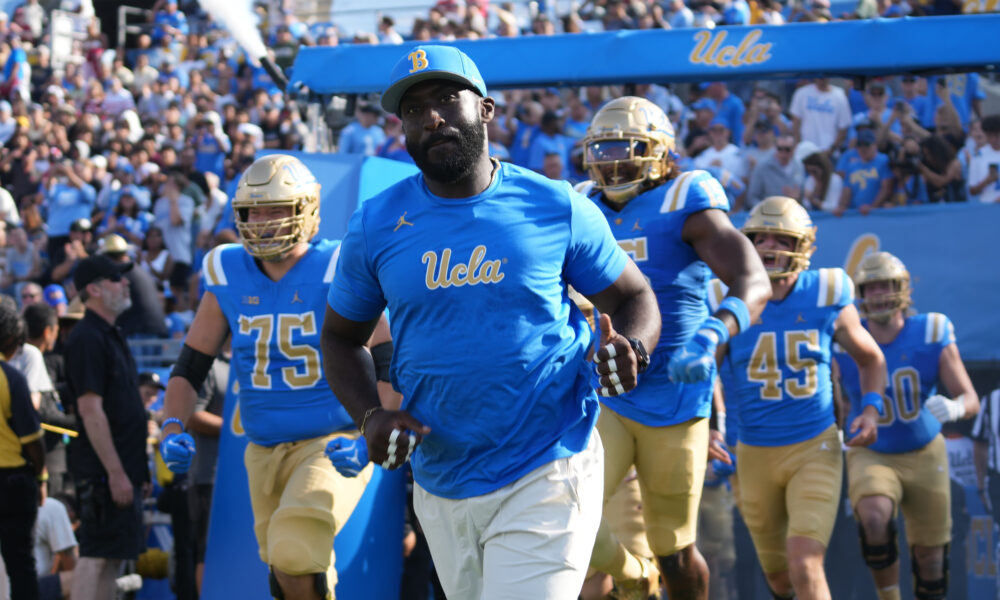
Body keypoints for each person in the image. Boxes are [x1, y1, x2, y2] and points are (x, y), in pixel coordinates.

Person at [321, 45, 661, 599]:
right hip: (441, 476)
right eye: (412, 109)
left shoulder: (555, 206)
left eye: (447, 98)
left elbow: (633, 296)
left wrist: (634, 347)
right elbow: (340, 339)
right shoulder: (375, 223)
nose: (431, 116)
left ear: (486, 110)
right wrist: (368, 417)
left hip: (548, 461)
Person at [158, 154, 391, 600]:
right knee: (287, 571)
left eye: (276, 209)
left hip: (332, 441)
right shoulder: (227, 271)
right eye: (254, 210)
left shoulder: (337, 266)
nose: (263, 221)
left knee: (295, 550)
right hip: (261, 450)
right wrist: (171, 425)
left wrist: (374, 431)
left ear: (306, 210)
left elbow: (387, 357)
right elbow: (191, 366)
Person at [578, 96, 771, 599]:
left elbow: (753, 280)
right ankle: (633, 576)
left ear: (659, 152)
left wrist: (714, 332)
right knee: (567, 515)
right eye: (603, 148)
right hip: (605, 394)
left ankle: (650, 573)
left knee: (676, 551)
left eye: (626, 148)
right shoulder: (579, 201)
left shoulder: (685, 198)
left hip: (675, 395)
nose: (613, 161)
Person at [713, 196, 887, 600]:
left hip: (815, 445)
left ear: (804, 246)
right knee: (780, 579)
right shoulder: (724, 295)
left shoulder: (825, 292)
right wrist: (708, 428)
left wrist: (872, 411)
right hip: (753, 452)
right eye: (761, 238)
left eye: (782, 239)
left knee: (805, 562)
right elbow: (703, 370)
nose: (769, 248)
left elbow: (871, 359)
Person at [834, 252, 978, 600]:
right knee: (873, 516)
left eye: (886, 285)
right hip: (873, 449)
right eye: (870, 288)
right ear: (860, 295)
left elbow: (970, 398)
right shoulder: (845, 340)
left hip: (925, 449)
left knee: (930, 557)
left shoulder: (931, 330)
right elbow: (833, 398)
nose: (879, 294)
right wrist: (836, 427)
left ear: (902, 289)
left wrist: (955, 405)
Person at [64, 254, 149, 600]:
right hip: (103, 473)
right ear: (94, 289)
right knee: (96, 555)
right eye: (116, 278)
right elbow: (90, 409)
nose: (126, 282)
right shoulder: (87, 337)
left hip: (122, 468)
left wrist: (135, 471)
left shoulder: (111, 333)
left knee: (112, 556)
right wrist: (115, 473)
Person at [0, 294, 45, 600]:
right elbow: (33, 440)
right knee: (20, 566)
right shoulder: (11, 377)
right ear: (13, 339)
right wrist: (41, 476)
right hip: (13, 481)